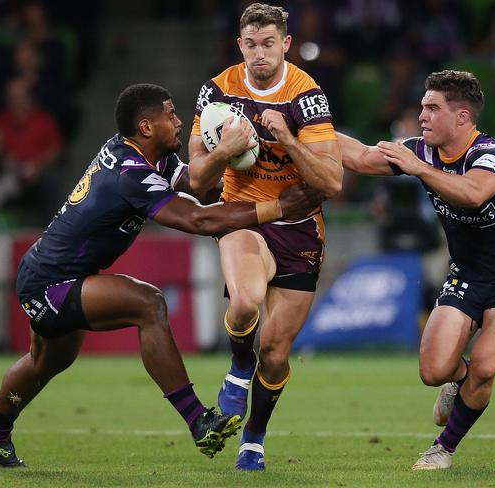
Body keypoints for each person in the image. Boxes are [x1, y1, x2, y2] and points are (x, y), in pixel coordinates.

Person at [0, 83, 322, 468]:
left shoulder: (149, 156)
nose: (180, 121)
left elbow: (201, 190)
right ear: (147, 127)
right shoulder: (130, 173)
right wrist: (276, 207)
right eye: (171, 115)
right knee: (148, 304)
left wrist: (254, 168)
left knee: (46, 361)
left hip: (53, 273)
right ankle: (198, 419)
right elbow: (197, 218)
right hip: (50, 282)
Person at [337, 70, 495, 470]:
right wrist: (304, 130)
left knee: (485, 367)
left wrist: (418, 169)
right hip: (466, 273)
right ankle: (459, 381)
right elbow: (361, 157)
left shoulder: (488, 154)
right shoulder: (424, 151)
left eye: (432, 108)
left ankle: (442, 449)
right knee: (433, 371)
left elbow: (472, 193)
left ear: (462, 117)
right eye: (422, 108)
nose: (422, 117)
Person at [187, 3, 342, 471]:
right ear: (240, 45)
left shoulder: (306, 96)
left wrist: (290, 140)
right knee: (245, 302)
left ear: (285, 44)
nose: (259, 53)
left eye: (268, 44)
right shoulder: (216, 93)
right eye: (251, 45)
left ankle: (254, 436)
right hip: (244, 214)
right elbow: (196, 179)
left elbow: (332, 182)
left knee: (275, 353)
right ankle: (238, 366)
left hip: (299, 226)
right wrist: (227, 152)